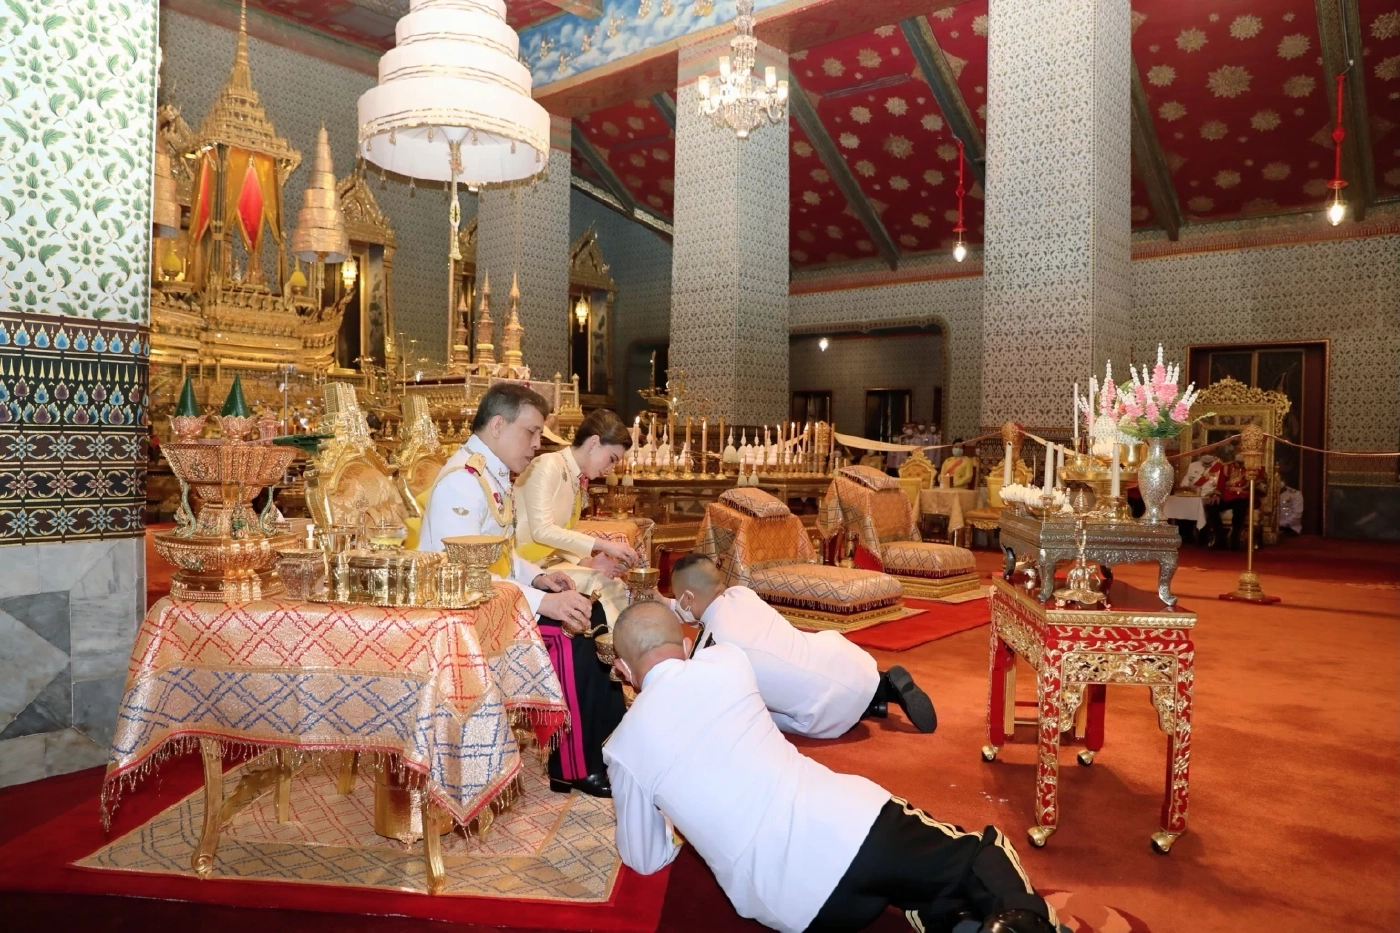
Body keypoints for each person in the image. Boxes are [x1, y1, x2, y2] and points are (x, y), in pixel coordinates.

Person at [604, 602, 1060, 933]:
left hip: (794, 910)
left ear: (623, 668)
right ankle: (1022, 922)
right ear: (686, 643)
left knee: (925, 894)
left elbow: (645, 859)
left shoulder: (622, 747)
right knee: (980, 853)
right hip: (855, 832)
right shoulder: (726, 661)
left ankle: (955, 919)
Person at [418, 384, 624, 798]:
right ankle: (574, 766)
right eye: (530, 433)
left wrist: (537, 579)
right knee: (572, 634)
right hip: (460, 620)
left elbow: (501, 555)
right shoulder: (463, 481)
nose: (536, 445)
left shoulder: (489, 473)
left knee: (592, 613)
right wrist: (547, 603)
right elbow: (464, 573)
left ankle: (607, 749)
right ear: (498, 425)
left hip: (493, 602)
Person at [670, 552, 936, 736]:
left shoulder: (711, 651)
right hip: (846, 660)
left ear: (688, 598)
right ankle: (882, 689)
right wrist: (669, 603)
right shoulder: (742, 594)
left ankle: (867, 707)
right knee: (798, 657)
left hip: (826, 713)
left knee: (755, 711)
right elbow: (709, 615)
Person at [515, 408, 641, 622]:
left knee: (610, 582)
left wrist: (586, 561)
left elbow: (561, 534)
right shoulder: (548, 465)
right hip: (523, 567)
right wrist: (604, 545)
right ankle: (614, 648)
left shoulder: (575, 476)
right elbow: (542, 531)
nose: (610, 469)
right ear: (593, 443)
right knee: (603, 585)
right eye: (611, 459)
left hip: (546, 563)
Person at [1198, 443, 1250, 550]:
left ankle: (1235, 539)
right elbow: (1220, 485)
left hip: (1243, 497)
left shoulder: (1252, 468)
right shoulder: (1227, 467)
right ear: (1235, 453)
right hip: (1227, 496)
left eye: (1243, 452)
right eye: (1239, 452)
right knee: (1211, 506)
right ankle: (1220, 537)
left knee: (1240, 510)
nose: (1241, 454)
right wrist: (1216, 495)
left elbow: (1259, 485)